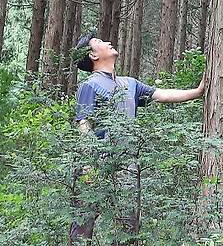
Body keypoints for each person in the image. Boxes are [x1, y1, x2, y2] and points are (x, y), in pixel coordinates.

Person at [68, 30, 204, 245]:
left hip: (127, 167)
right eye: (101, 42)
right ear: (93, 55)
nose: (109, 41)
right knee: (83, 227)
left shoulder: (130, 84)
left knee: (128, 228)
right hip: (96, 164)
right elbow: (84, 124)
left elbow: (162, 94)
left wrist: (197, 91)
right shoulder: (89, 85)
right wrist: (88, 166)